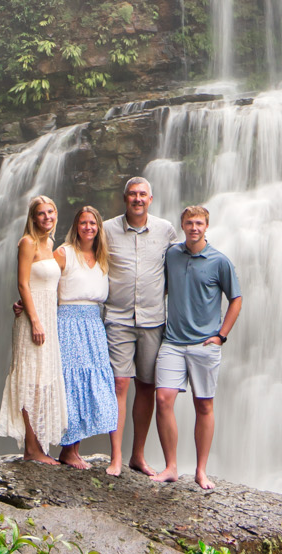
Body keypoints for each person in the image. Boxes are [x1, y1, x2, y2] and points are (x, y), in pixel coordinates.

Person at [152, 205, 242, 492]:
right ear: (182, 226)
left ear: (206, 226)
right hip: (173, 342)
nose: (194, 227)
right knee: (164, 399)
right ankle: (171, 467)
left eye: (199, 223)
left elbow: (236, 299)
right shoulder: (172, 256)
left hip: (205, 344)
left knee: (204, 405)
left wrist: (221, 335)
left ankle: (201, 471)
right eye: (189, 223)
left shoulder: (220, 262)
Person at [102, 175, 175, 477]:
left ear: (151, 199)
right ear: (124, 198)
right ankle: (116, 457)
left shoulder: (166, 231)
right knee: (120, 384)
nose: (137, 199)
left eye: (142, 194)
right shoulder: (106, 229)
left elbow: (179, 268)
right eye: (132, 194)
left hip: (153, 319)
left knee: (147, 385)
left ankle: (138, 456)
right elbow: (81, 258)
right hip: (117, 318)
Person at [0, 195, 67, 463]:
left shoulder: (51, 245)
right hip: (33, 320)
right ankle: (31, 449)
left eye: (51, 212)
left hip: (49, 315)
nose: (47, 217)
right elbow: (23, 284)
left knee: (44, 378)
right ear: (33, 218)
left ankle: (39, 444)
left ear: (56, 215)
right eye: (41, 213)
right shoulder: (28, 243)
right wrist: (34, 320)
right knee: (29, 379)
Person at [55, 205, 118, 469]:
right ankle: (67, 450)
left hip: (93, 324)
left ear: (98, 228)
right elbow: (43, 280)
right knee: (71, 381)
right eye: (83, 223)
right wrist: (26, 304)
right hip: (68, 322)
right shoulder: (64, 253)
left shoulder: (102, 257)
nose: (88, 227)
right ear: (76, 226)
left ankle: (74, 449)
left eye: (93, 223)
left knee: (90, 381)